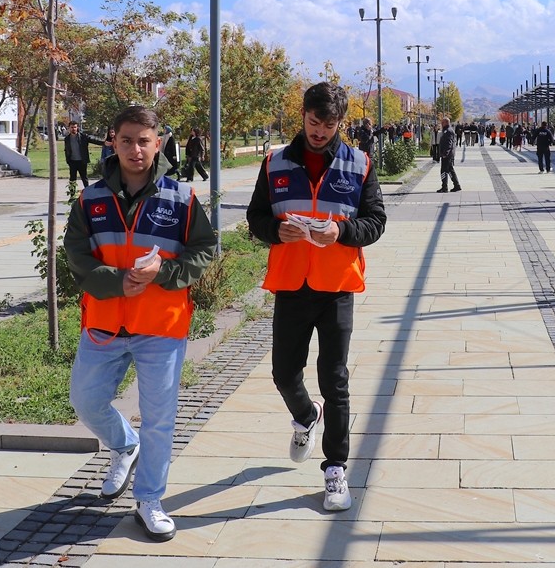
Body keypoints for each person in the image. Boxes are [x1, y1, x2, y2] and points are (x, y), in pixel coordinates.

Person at [64, 105, 217, 542]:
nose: (135, 149)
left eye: (144, 141)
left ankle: (149, 499)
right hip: (105, 323)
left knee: (160, 419)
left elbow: (204, 249)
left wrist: (166, 275)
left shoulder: (181, 198)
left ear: (158, 143)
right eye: (127, 140)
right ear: (113, 140)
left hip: (160, 325)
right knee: (85, 401)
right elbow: (76, 254)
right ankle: (123, 445)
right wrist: (114, 282)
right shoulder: (90, 199)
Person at [246, 82, 387, 512]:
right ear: (302, 116)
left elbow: (376, 221)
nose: (320, 131)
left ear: (340, 122)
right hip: (291, 285)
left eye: (329, 124)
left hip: (336, 287)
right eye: (313, 122)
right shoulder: (274, 163)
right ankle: (307, 416)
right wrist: (276, 230)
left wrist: (341, 231)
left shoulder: (359, 163)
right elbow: (254, 218)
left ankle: (335, 469)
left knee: (335, 377)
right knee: (284, 374)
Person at [63, 121, 95, 185]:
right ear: (69, 128)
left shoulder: (83, 136)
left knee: (84, 178)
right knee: (72, 179)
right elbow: (67, 150)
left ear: (77, 127)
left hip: (82, 161)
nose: (73, 129)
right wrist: (68, 160)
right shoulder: (67, 139)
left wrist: (104, 143)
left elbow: (94, 140)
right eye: (72, 127)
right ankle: (72, 194)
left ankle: (87, 194)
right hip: (72, 162)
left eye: (75, 127)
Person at [436, 117, 462, 192]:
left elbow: (449, 143)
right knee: (450, 170)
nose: (441, 124)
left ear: (446, 123)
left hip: (447, 155)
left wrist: (445, 153)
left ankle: (444, 187)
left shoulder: (448, 131)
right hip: (449, 154)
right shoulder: (447, 130)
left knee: (444, 171)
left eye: (442, 122)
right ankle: (456, 185)